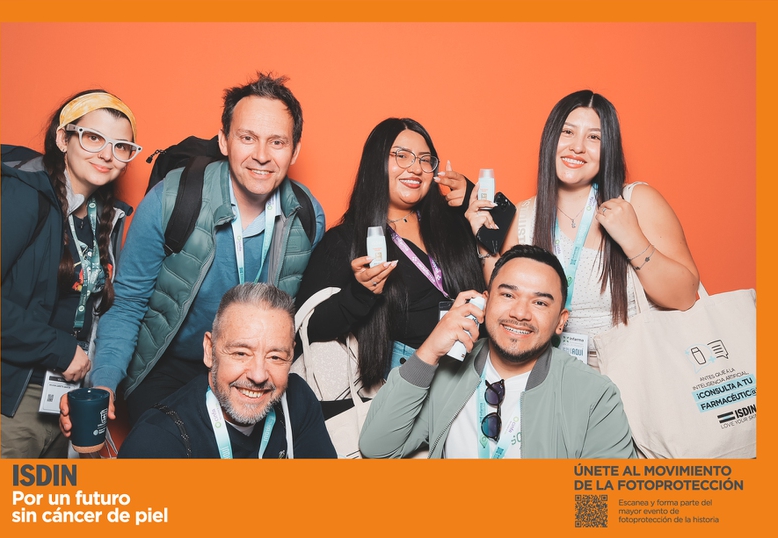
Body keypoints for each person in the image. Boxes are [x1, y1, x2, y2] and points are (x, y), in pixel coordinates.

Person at [82, 73, 326, 425]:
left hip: (251, 372)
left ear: (295, 150)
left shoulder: (307, 216)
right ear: (224, 141)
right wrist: (104, 382)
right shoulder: (171, 200)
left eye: (277, 142)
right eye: (247, 138)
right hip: (167, 365)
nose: (261, 156)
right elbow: (128, 301)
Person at [467, 90, 699, 369]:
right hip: (558, 375)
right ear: (551, 139)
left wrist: (633, 239)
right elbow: (509, 303)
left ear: (608, 149)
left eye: (594, 137)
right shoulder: (526, 216)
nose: (577, 147)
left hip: (639, 372)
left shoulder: (636, 201)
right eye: (568, 132)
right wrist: (484, 244)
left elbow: (685, 297)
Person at [359, 245, 637, 459]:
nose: (520, 313)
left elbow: (608, 504)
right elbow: (377, 448)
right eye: (508, 295)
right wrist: (429, 351)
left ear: (561, 322)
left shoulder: (595, 396)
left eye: (540, 303)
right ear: (486, 301)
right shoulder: (446, 372)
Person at [294, 117, 484, 403]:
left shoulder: (453, 224)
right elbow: (307, 328)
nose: (416, 168)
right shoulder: (346, 241)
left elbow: (509, 264)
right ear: (376, 163)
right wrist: (360, 294)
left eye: (425, 159)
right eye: (402, 156)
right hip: (400, 387)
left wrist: (471, 196)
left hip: (469, 374)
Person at [1, 89, 138, 458]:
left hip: (66, 399)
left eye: (121, 146)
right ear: (64, 138)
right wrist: (61, 350)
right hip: (10, 396)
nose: (107, 154)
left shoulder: (107, 217)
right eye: (93, 138)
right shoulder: (22, 194)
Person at [97, 284, 335, 458]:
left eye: (275, 357)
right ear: (210, 351)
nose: (259, 375)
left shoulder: (297, 401)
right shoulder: (156, 442)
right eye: (241, 353)